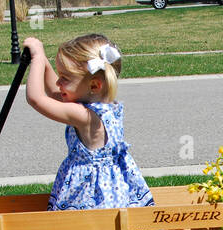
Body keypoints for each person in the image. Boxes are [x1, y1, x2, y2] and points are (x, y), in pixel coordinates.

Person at [22, 34, 154, 212]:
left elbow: (36, 99)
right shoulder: (105, 107)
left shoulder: (84, 116)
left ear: (94, 86)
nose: (58, 83)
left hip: (89, 195)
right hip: (112, 193)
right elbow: (55, 92)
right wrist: (43, 59)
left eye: (65, 78)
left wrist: (37, 57)